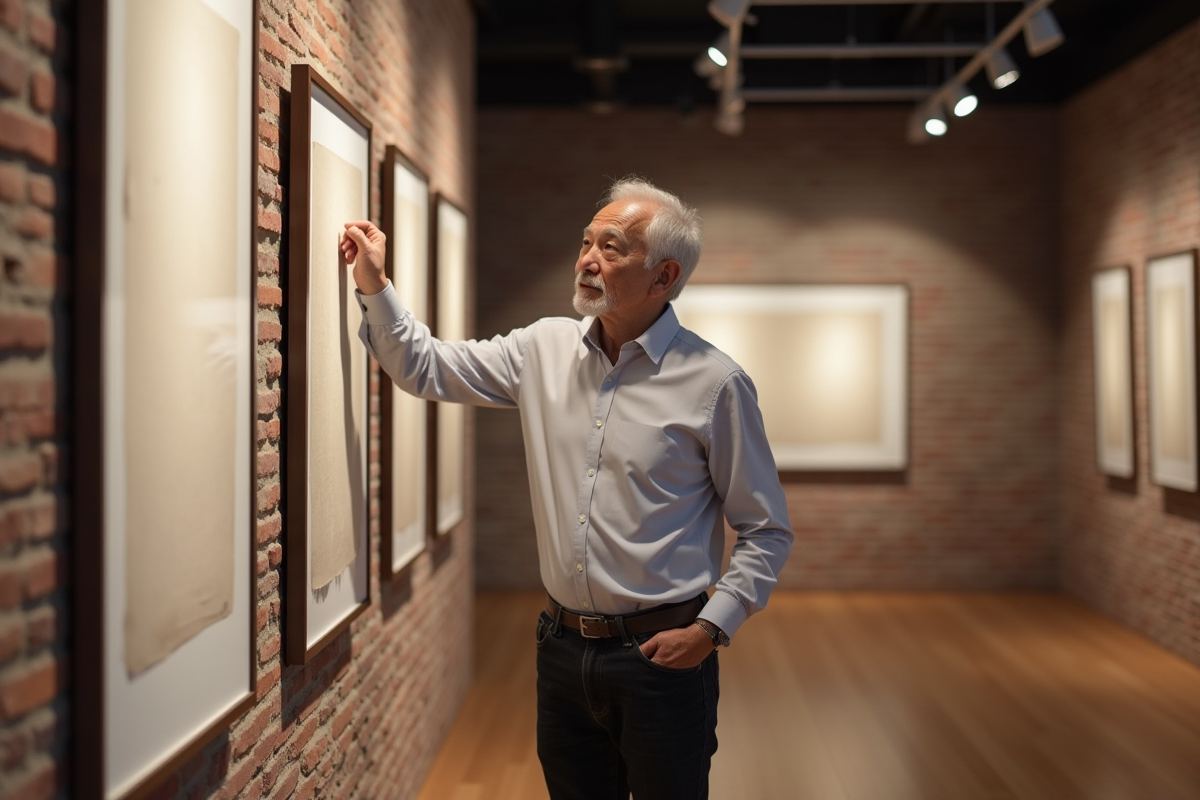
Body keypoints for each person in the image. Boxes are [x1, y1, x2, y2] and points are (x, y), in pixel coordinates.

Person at [342, 177, 793, 800]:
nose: (587, 259)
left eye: (612, 248)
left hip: (663, 658)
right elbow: (426, 367)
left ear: (663, 277)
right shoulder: (541, 349)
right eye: (586, 241)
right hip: (560, 651)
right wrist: (374, 283)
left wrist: (711, 629)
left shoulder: (716, 384)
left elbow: (766, 529)